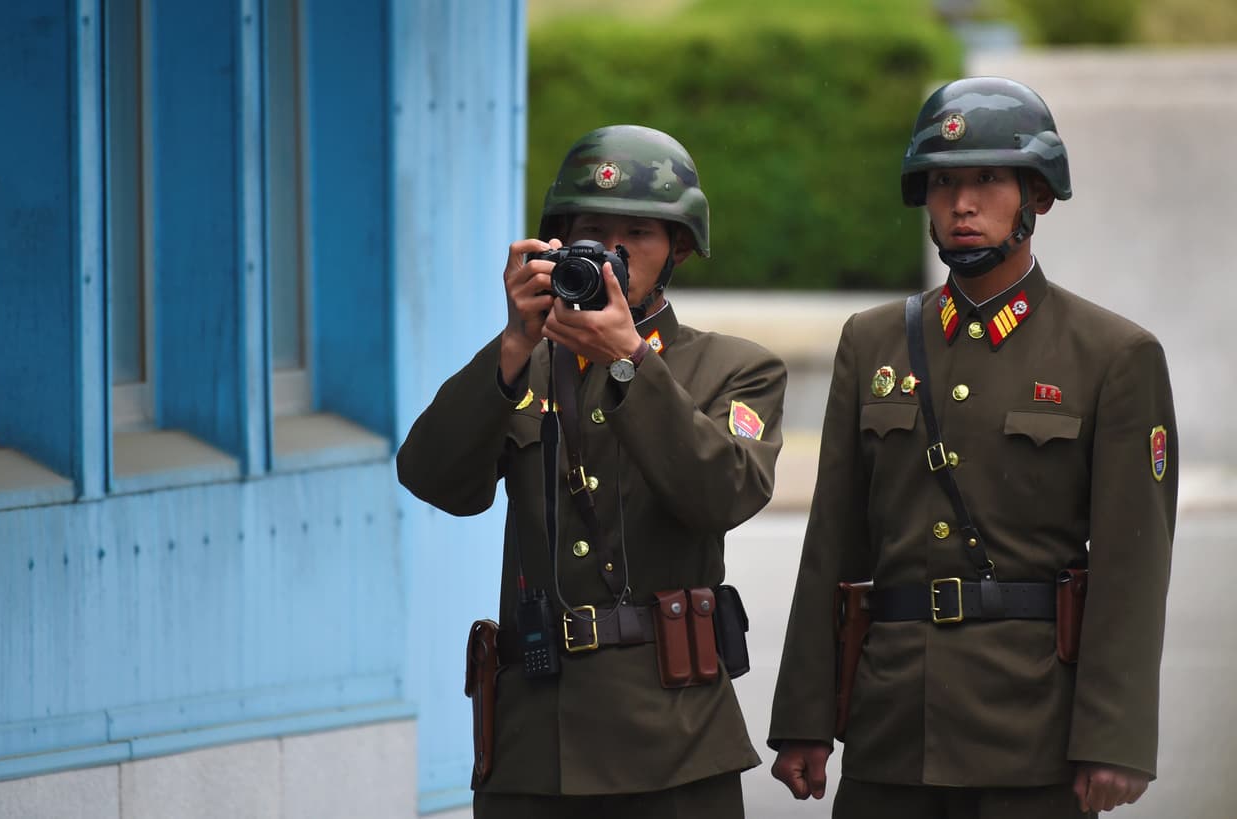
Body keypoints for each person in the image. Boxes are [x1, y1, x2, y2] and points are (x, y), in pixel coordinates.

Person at [767, 76, 1177, 818]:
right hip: (891, 728)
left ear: (1039, 196)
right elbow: (832, 540)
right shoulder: (874, 341)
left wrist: (1115, 737)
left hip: (1032, 737)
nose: (961, 203)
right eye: (944, 182)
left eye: (988, 179)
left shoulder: (1113, 354)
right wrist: (805, 716)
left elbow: (1132, 565)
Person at [397, 124, 786, 818]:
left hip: (673, 746)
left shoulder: (734, 368)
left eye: (639, 230)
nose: (614, 249)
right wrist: (514, 341)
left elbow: (723, 492)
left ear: (680, 247)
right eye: (591, 230)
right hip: (534, 747)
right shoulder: (526, 362)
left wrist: (630, 360)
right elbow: (434, 478)